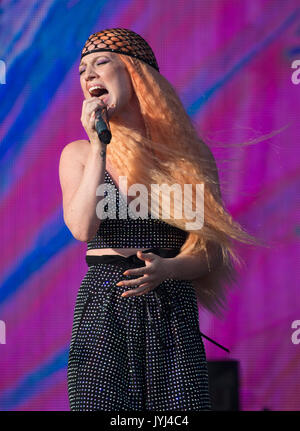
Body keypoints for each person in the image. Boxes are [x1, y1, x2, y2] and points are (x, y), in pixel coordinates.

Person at [59, 28, 259, 411]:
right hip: (105, 308)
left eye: (102, 62)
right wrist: (101, 147)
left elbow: (210, 252)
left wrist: (168, 268)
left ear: (137, 75)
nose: (89, 75)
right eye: (83, 69)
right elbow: (82, 227)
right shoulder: (80, 154)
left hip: (171, 309)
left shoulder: (187, 156)